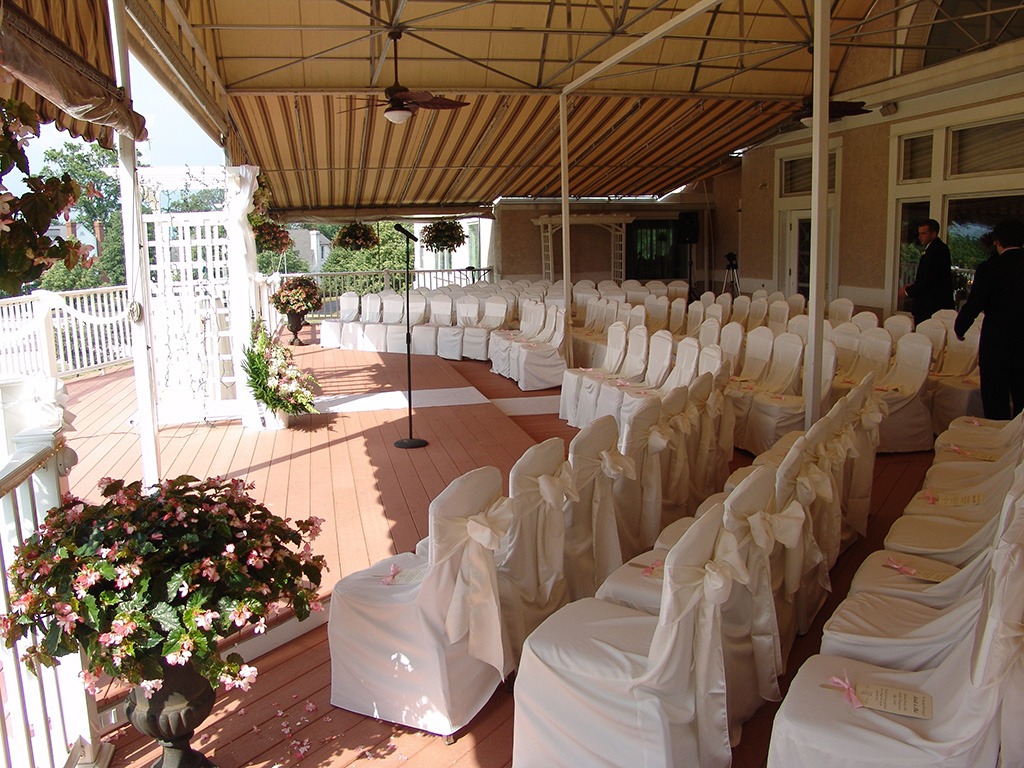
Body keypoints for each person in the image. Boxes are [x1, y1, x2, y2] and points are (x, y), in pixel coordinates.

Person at [954, 218, 1024, 420]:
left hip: (997, 345)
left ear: (997, 241)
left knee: (996, 401)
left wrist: (961, 328)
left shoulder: (990, 268)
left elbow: (975, 303)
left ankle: (997, 444)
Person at [898, 219, 954, 326]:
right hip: (931, 305)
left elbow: (928, 280)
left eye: (923, 233)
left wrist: (907, 291)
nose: (919, 237)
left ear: (933, 234)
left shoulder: (936, 250)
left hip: (931, 307)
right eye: (919, 233)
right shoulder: (935, 249)